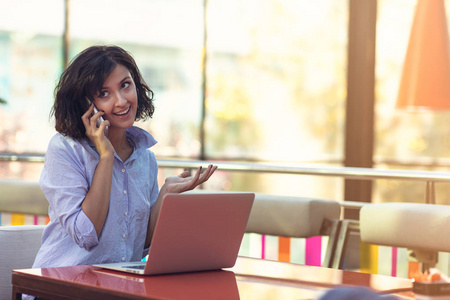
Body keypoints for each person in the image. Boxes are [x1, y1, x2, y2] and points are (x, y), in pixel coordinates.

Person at [32, 45, 217, 269]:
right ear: (85, 104)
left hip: (117, 286)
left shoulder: (145, 158)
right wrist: (106, 156)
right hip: (60, 285)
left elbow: (138, 244)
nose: (121, 101)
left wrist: (166, 194)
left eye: (125, 85)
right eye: (103, 93)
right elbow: (86, 235)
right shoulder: (65, 149)